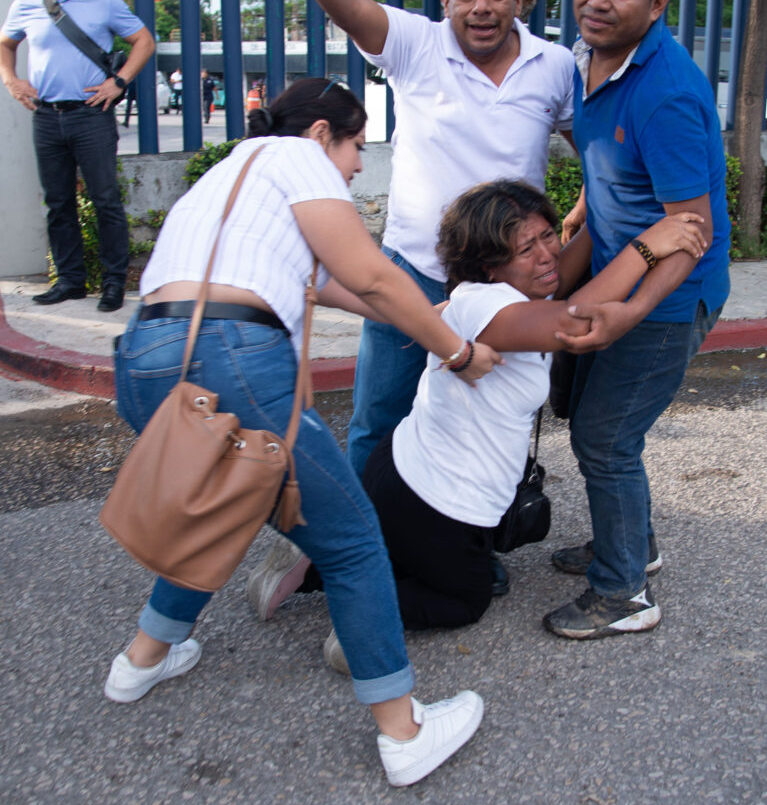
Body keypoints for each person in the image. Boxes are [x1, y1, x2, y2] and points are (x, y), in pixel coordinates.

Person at [105, 77, 501, 787]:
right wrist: (458, 350)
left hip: (143, 358)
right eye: (355, 146)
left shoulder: (228, 174)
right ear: (322, 133)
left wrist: (435, 312)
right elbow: (372, 276)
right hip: (230, 358)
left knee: (221, 506)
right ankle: (403, 731)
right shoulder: (297, 160)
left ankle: (142, 660)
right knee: (350, 541)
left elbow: (337, 287)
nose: (355, 165)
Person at [259, 181, 706, 650]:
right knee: (466, 601)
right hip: (435, 503)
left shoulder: (494, 294)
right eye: (525, 248)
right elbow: (576, 319)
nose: (546, 256)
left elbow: (564, 273)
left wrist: (601, 212)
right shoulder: (486, 307)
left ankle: (320, 561)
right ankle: (360, 611)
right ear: (490, 265)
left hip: (405, 475)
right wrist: (647, 246)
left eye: (548, 236)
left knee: (410, 560)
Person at [267, 0, 577, 482]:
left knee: (489, 420)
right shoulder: (416, 45)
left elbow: (600, 157)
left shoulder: (556, 67)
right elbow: (345, 4)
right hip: (413, 273)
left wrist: (572, 223)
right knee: (378, 419)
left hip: (503, 284)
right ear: (446, 0)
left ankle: (473, 542)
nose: (482, 7)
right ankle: (357, 553)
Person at [542, 0, 731, 640]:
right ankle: (633, 546)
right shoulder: (588, 61)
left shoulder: (668, 94)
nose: (598, 0)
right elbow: (600, 148)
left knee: (605, 439)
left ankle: (622, 593)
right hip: (619, 268)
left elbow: (692, 229)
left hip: (668, 296)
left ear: (655, 6)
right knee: (592, 417)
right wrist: (591, 200)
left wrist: (632, 313)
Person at [0, 0, 155, 312]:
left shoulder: (102, 0)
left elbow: (144, 41)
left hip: (91, 115)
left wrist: (119, 82)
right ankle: (69, 282)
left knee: (105, 201)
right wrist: (12, 81)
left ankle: (113, 283)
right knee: (58, 203)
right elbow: (6, 44)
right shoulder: (26, 2)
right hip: (47, 117)